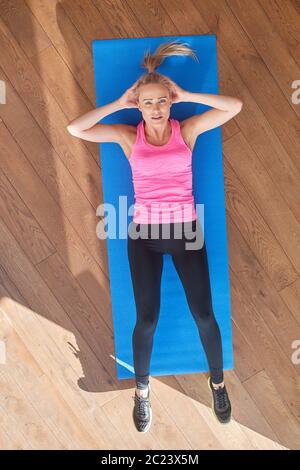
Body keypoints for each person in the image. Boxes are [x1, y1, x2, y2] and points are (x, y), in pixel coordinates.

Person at [67, 40, 243, 433]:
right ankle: (142, 393)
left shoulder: (189, 130)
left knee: (204, 314)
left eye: (162, 101)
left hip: (185, 231)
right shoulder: (129, 137)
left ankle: (218, 383)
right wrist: (119, 102)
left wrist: (187, 95)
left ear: (170, 101)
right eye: (147, 102)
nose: (156, 108)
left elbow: (235, 107)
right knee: (146, 319)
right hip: (144, 235)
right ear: (139, 105)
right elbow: (74, 128)